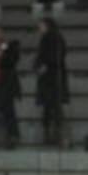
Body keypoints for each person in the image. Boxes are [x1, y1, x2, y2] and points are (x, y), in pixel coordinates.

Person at [34, 17, 70, 146]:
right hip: (51, 78)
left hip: (52, 79)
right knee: (52, 107)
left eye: (41, 25)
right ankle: (52, 134)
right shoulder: (53, 38)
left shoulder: (52, 38)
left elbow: (53, 57)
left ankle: (54, 135)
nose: (39, 28)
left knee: (52, 107)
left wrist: (44, 65)